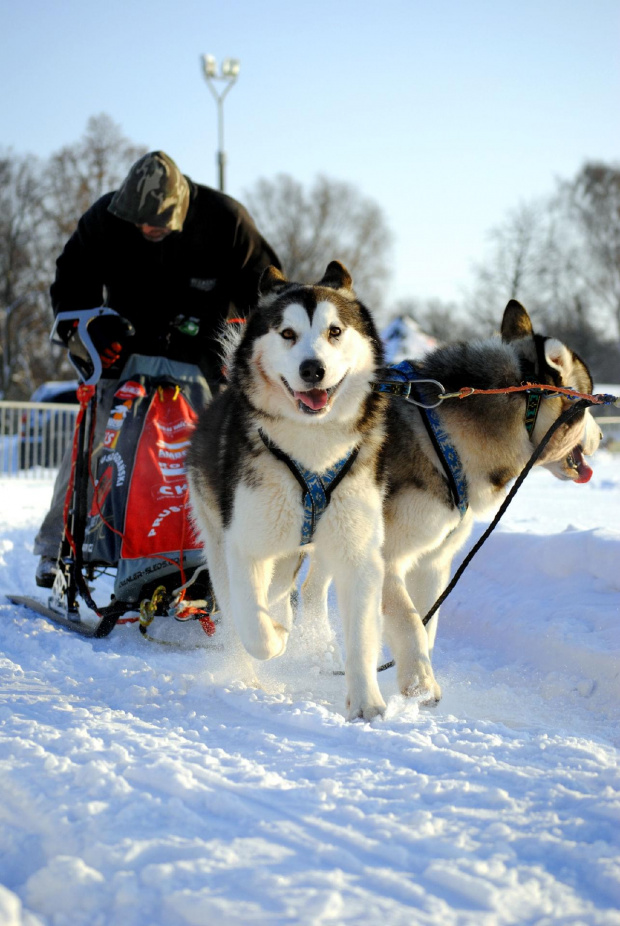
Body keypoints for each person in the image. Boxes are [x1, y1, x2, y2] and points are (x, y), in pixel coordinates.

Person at [34, 150, 281, 587]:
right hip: (125, 355)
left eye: (158, 222)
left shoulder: (225, 220)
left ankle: (231, 553)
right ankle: (56, 547)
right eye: (139, 222)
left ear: (181, 208)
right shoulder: (106, 218)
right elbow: (69, 278)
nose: (147, 228)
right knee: (94, 440)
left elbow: (266, 289)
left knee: (217, 453)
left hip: (202, 362)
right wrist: (90, 330)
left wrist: (241, 341)